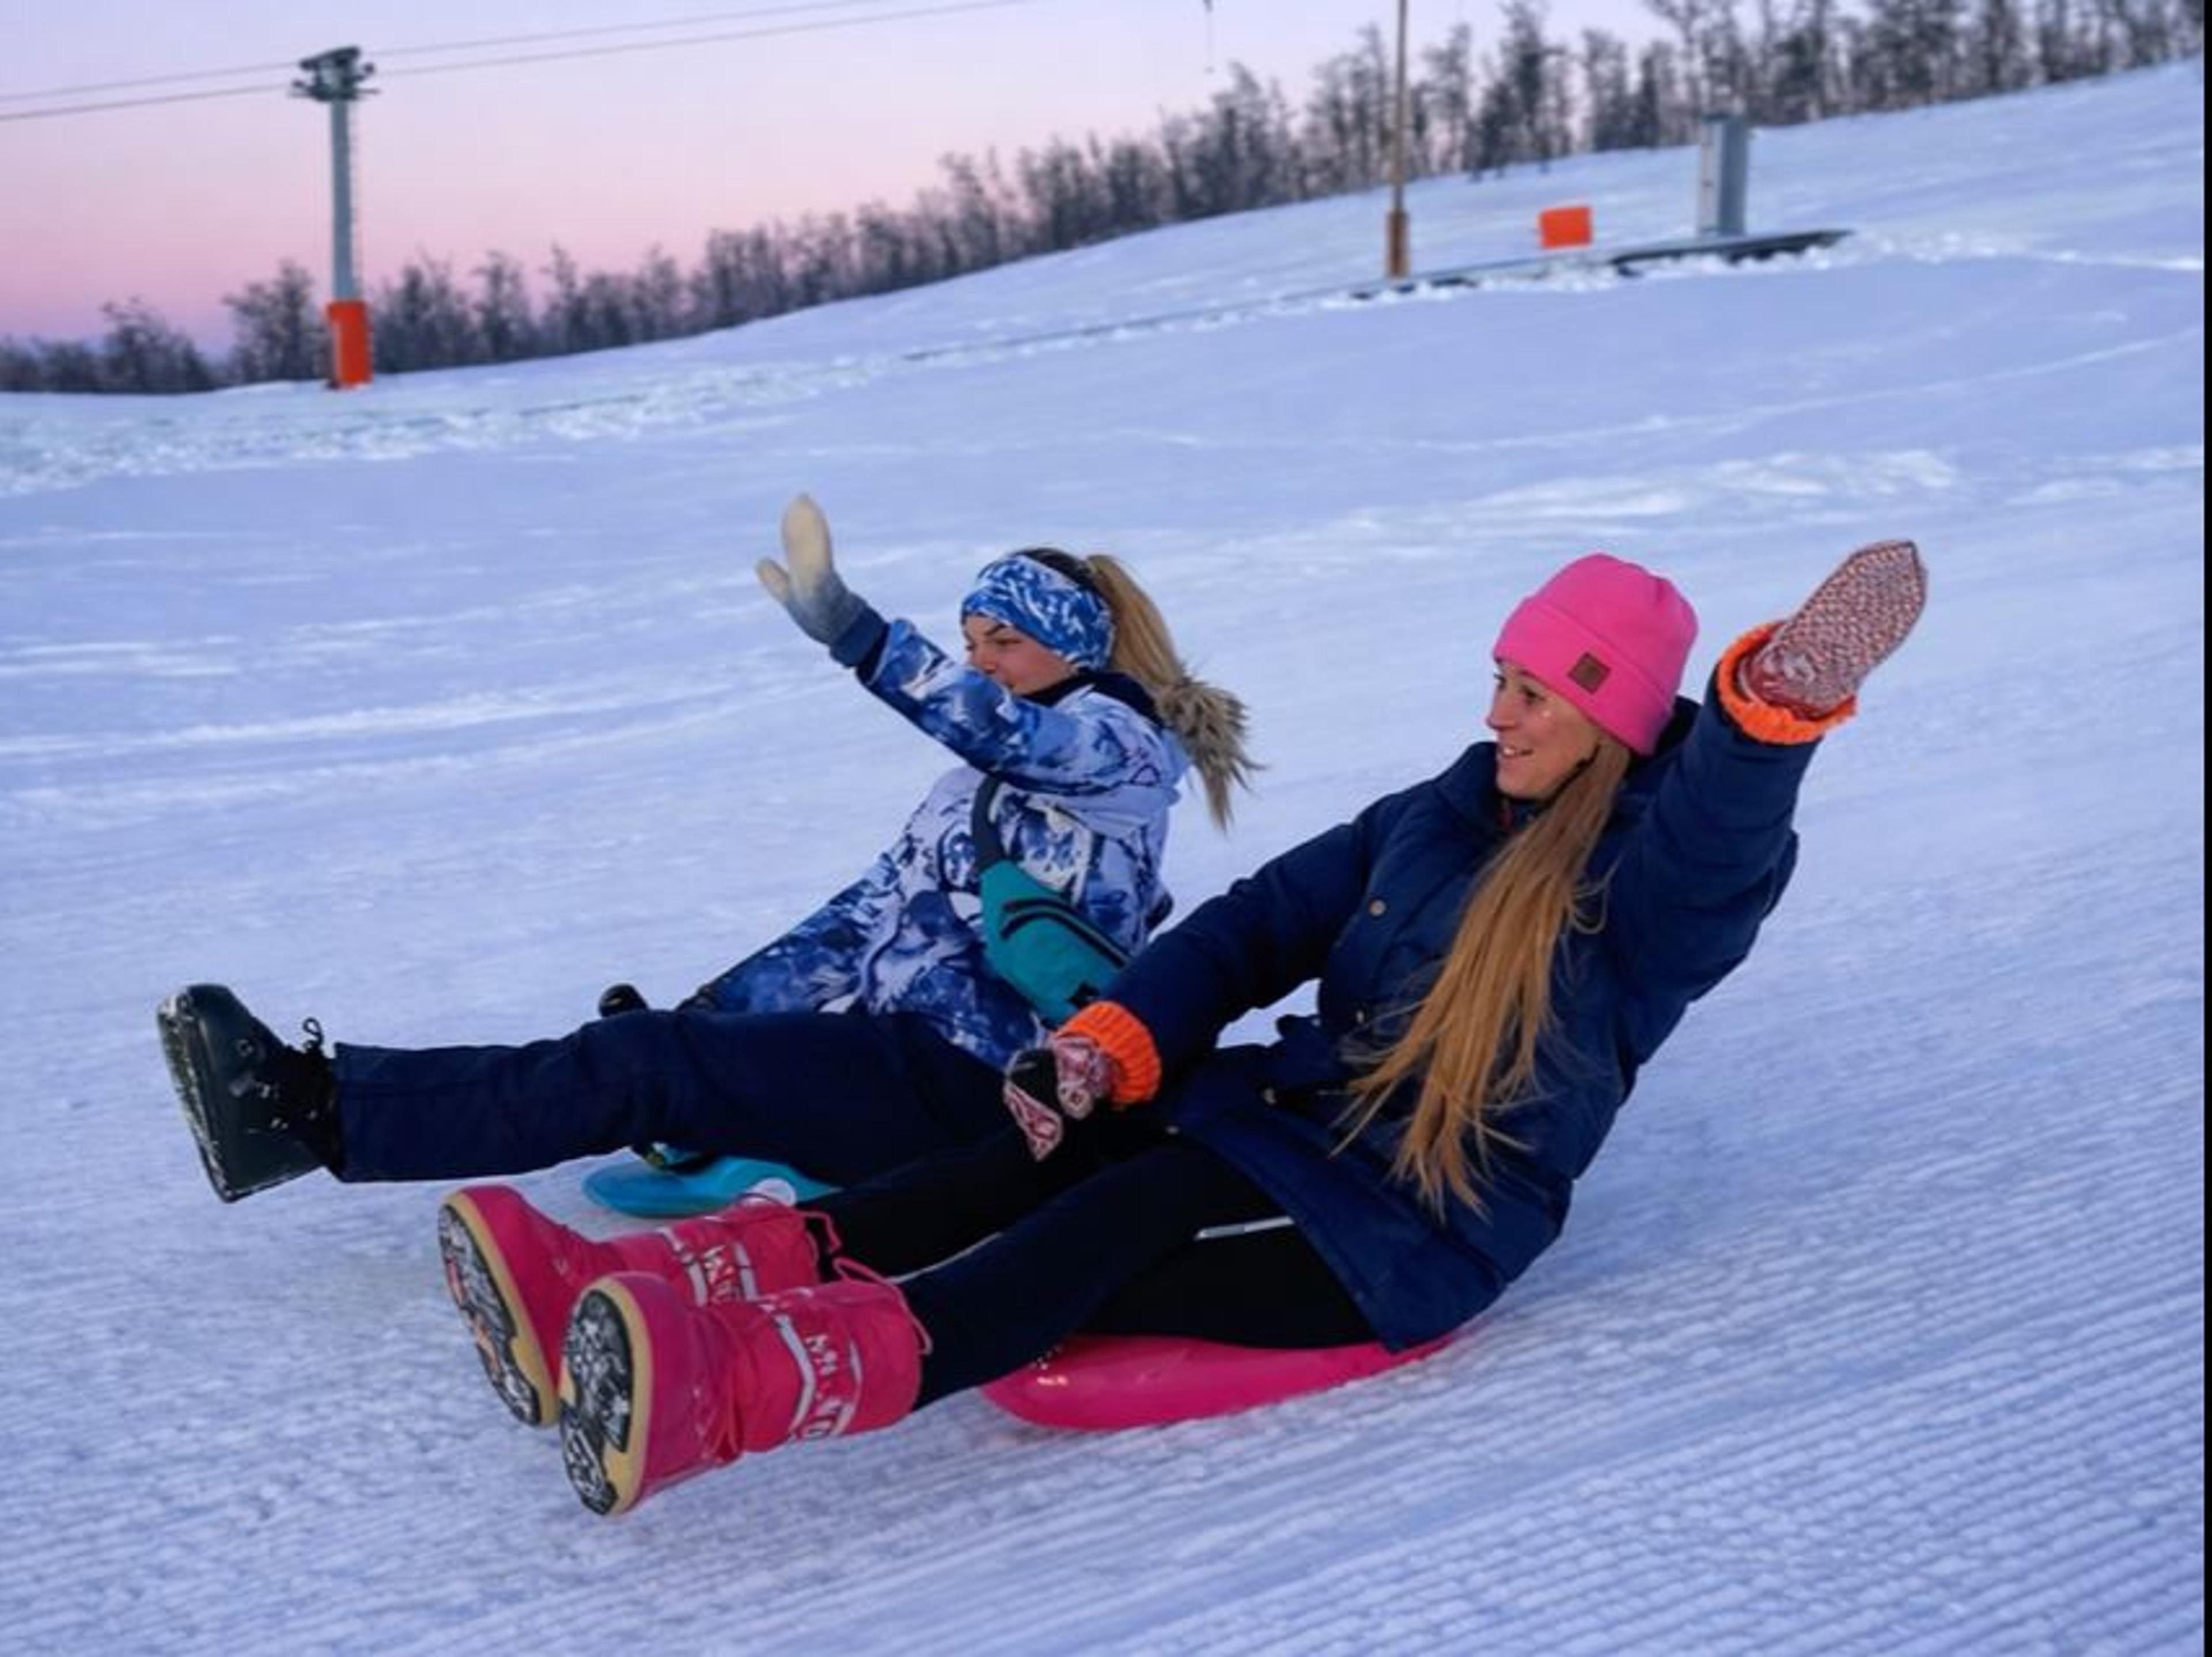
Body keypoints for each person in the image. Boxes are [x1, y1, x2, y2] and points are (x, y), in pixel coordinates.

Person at [419, 536, 1927, 1516]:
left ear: (1614, 715)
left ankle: (725, 1392)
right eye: (1501, 678)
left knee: (1105, 1219)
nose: (1500, 713)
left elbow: (1719, 838)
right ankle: (618, 1288)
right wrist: (1117, 1041)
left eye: (1536, 692)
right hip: (1284, 1121)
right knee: (1025, 1146)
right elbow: (1256, 922)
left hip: (1411, 1215)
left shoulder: (1650, 894)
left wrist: (1766, 717)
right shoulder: (1449, 805)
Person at [156, 495, 1253, 1231]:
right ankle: (321, 1104)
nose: (982, 664)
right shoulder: (976, 784)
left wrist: (864, 638)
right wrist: (718, 1018)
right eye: (970, 643)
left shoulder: (1117, 750)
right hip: (902, 1061)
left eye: (1002, 642)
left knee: (649, 1063)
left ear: (1073, 645)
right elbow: (859, 922)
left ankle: (307, 1115)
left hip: (989, 1086)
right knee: (652, 1054)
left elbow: (996, 725)